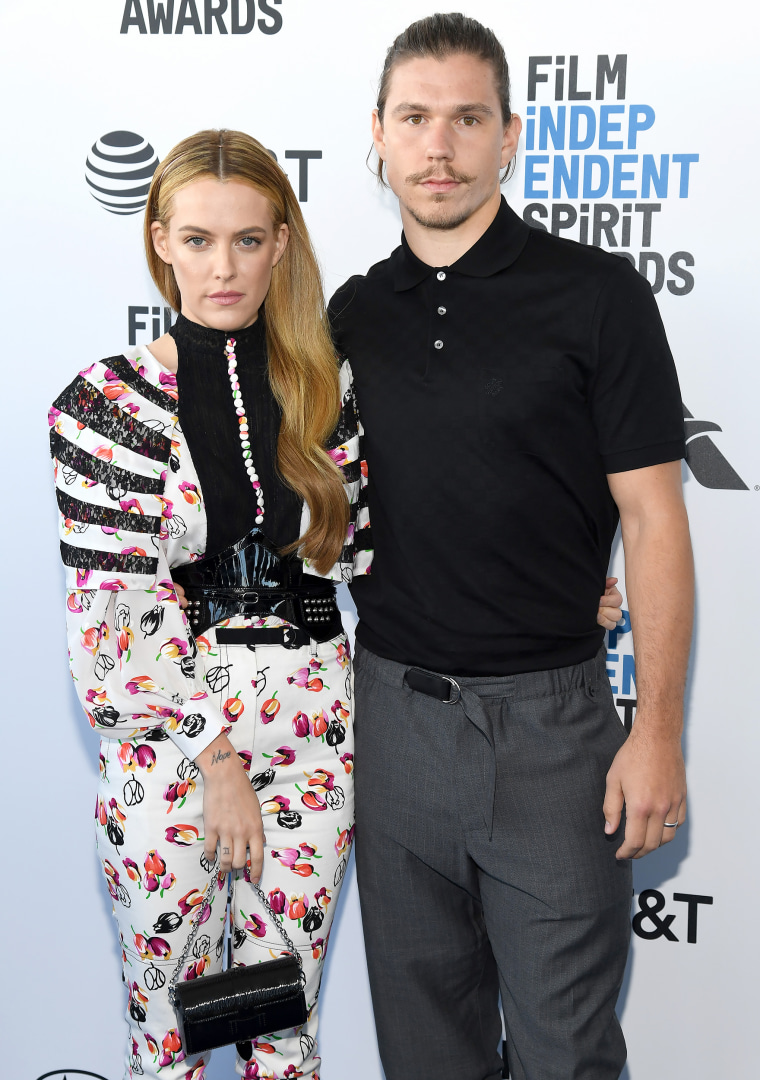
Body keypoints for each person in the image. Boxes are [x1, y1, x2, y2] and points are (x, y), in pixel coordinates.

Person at [328, 13, 694, 1080]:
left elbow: (655, 520)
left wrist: (657, 730)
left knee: (566, 1056)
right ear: (380, 136)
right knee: (427, 1057)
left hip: (553, 739)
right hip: (392, 726)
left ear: (508, 137)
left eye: (464, 119)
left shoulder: (597, 297)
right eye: (414, 118)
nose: (437, 146)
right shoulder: (347, 316)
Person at [49, 129, 372, 1080]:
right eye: (196, 240)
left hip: (315, 739)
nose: (221, 267)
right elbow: (110, 621)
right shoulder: (106, 405)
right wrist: (217, 757)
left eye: (245, 240)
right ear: (158, 240)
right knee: (178, 1026)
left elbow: (375, 557)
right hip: (174, 750)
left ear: (281, 244)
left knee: (281, 1022)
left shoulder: (328, 393)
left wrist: (554, 593)